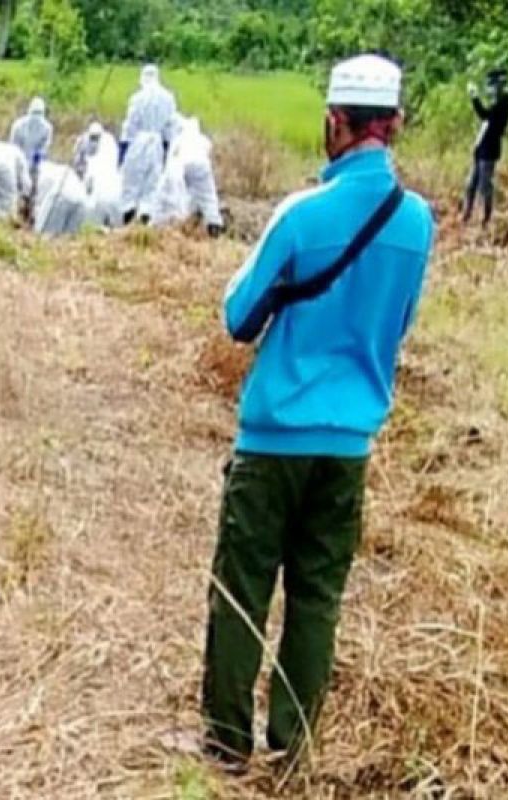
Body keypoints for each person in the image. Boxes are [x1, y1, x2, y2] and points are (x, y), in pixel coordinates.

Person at [200, 54, 434, 773]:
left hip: (274, 439)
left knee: (242, 590)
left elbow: (238, 316)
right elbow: (397, 326)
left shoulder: (301, 215)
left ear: (335, 122)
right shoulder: (417, 223)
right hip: (350, 444)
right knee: (317, 597)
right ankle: (292, 746)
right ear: (393, 126)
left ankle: (226, 747)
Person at [145, 115, 224, 236]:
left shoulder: (176, 138)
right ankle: (214, 224)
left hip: (181, 162)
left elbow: (170, 168)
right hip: (201, 164)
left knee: (167, 194)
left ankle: (159, 226)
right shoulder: (200, 139)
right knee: (208, 196)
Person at [120, 64, 178, 224]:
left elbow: (130, 123)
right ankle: (145, 215)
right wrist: (167, 147)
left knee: (132, 180)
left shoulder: (137, 98)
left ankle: (128, 215)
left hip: (139, 141)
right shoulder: (168, 97)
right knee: (152, 183)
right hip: (157, 142)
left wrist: (123, 148)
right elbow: (170, 125)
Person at [463, 68, 508, 227]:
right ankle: (467, 215)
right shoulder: (498, 101)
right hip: (482, 147)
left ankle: (486, 218)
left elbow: (486, 115)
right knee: (471, 184)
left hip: (490, 149)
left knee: (485, 184)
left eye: (492, 84)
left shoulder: (504, 102)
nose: (490, 88)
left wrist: (475, 98)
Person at [10, 97, 54, 180]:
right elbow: (14, 148)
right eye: (34, 112)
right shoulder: (18, 126)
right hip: (18, 164)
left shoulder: (47, 128)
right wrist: (21, 164)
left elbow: (43, 150)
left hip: (36, 167)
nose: (36, 116)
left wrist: (34, 163)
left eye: (39, 113)